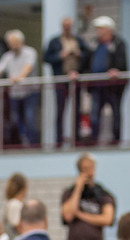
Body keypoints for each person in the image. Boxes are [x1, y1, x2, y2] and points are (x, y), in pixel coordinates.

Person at [60, 153, 115, 240]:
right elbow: (68, 215)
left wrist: (80, 214)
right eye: (85, 169)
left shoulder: (102, 194)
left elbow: (107, 219)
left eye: (91, 168)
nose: (89, 173)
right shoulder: (69, 193)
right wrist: (78, 188)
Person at [0, 30, 39, 145]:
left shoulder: (29, 52)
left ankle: (33, 142)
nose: (14, 44)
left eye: (15, 41)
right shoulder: (7, 56)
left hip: (30, 92)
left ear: (21, 41)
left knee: (29, 117)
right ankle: (23, 140)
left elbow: (28, 67)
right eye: (11, 42)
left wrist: (19, 77)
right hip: (15, 93)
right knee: (15, 119)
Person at [44, 17, 89, 147]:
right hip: (61, 79)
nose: (67, 28)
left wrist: (79, 55)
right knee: (60, 110)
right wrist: (60, 56)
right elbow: (46, 58)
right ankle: (59, 139)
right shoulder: (55, 41)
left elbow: (87, 55)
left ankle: (76, 138)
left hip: (75, 79)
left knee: (77, 110)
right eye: (65, 26)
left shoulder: (78, 41)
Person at [87, 16, 128, 145]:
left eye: (100, 29)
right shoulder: (94, 44)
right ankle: (94, 139)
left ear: (108, 30)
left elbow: (122, 62)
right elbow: (87, 61)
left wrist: (115, 70)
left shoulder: (118, 43)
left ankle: (116, 140)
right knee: (94, 114)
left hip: (113, 86)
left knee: (115, 113)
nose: (97, 31)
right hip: (97, 86)